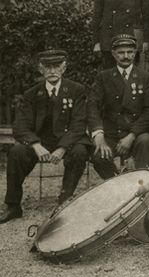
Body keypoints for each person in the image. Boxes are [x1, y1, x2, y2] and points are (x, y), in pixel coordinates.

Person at [0, 50, 91, 222]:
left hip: (68, 141)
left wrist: (63, 148)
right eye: (47, 67)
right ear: (40, 69)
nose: (52, 71)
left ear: (64, 67)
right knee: (17, 152)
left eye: (56, 66)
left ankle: (64, 202)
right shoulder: (32, 94)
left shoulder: (76, 90)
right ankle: (13, 206)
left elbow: (79, 124)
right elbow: (20, 125)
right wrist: (35, 145)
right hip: (41, 141)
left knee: (80, 152)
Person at [88, 34, 149, 178]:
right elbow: (93, 105)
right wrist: (98, 135)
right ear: (113, 54)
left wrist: (131, 136)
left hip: (136, 133)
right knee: (98, 156)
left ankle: (144, 183)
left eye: (130, 52)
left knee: (146, 140)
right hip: (112, 133)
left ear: (135, 53)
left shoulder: (147, 78)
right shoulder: (103, 77)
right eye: (121, 52)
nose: (126, 56)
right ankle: (116, 182)